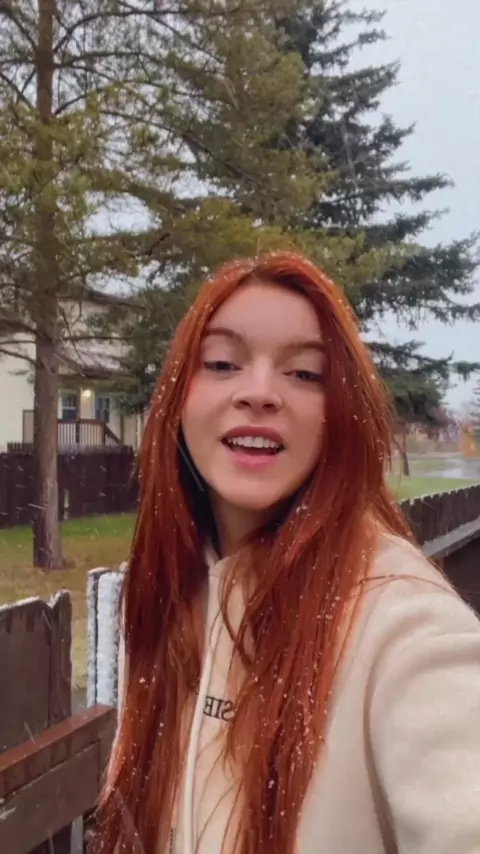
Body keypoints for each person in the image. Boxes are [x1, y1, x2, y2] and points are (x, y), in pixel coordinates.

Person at [93, 252, 480, 854]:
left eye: (304, 373)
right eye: (222, 363)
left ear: (340, 415)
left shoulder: (400, 622)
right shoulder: (171, 596)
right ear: (177, 398)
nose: (259, 393)